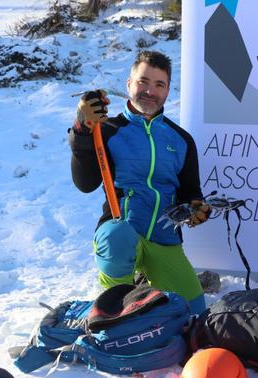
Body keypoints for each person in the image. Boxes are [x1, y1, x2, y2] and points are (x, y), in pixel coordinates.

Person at [68, 50, 209, 315]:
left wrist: (197, 210)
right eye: (143, 81)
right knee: (117, 236)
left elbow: (191, 194)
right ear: (129, 84)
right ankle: (111, 307)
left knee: (195, 314)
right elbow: (84, 183)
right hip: (122, 233)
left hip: (164, 238)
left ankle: (147, 284)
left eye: (159, 84)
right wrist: (81, 129)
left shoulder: (181, 140)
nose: (150, 91)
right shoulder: (107, 130)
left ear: (168, 91)